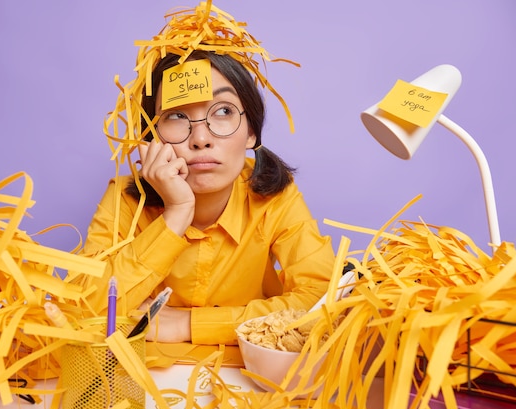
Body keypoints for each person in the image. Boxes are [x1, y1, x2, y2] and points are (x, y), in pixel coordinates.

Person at [74, 2, 337, 346]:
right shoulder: (124, 198)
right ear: (151, 137)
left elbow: (323, 303)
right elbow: (82, 307)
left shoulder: (275, 197)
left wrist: (189, 325)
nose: (200, 139)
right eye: (177, 116)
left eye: (224, 111)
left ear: (252, 132)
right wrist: (176, 214)